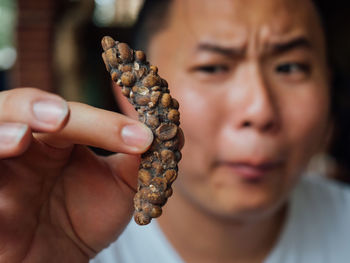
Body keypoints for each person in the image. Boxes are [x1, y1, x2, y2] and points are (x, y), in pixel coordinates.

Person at [0, 0, 349, 262]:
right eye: (212, 66)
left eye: (290, 67)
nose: (259, 111)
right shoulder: (56, 234)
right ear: (133, 99)